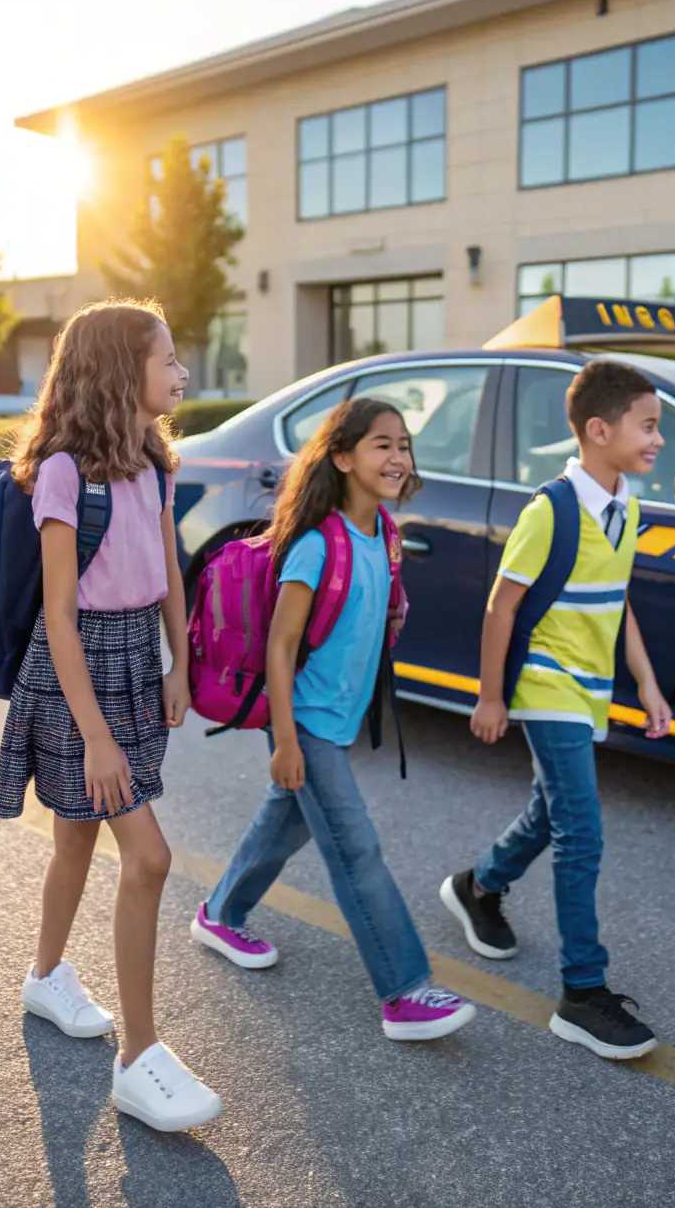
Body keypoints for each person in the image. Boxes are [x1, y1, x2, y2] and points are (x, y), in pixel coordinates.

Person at [0, 299, 222, 1133]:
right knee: (150, 856)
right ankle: (140, 1059)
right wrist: (93, 733)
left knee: (78, 837)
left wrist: (180, 659)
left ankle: (46, 974)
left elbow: (168, 565)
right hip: (75, 671)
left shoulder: (156, 459)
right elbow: (58, 614)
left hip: (135, 657)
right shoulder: (62, 470)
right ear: (123, 370)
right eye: (168, 359)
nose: (181, 372)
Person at [191, 398, 476, 1041]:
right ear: (342, 457)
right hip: (307, 719)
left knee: (286, 823)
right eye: (382, 444)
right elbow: (280, 647)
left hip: (338, 716)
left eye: (403, 444)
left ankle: (220, 911)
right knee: (355, 846)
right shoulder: (317, 546)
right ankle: (404, 991)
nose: (398, 456)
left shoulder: (384, 536)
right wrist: (285, 741)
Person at [440, 360, 671, 1060]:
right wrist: (489, 695)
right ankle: (582, 991)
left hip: (589, 688)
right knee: (581, 828)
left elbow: (618, 603)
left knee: (552, 807)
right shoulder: (551, 510)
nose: (659, 438)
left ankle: (477, 884)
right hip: (545, 684)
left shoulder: (627, 507)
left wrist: (647, 684)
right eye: (649, 424)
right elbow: (502, 605)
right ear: (599, 430)